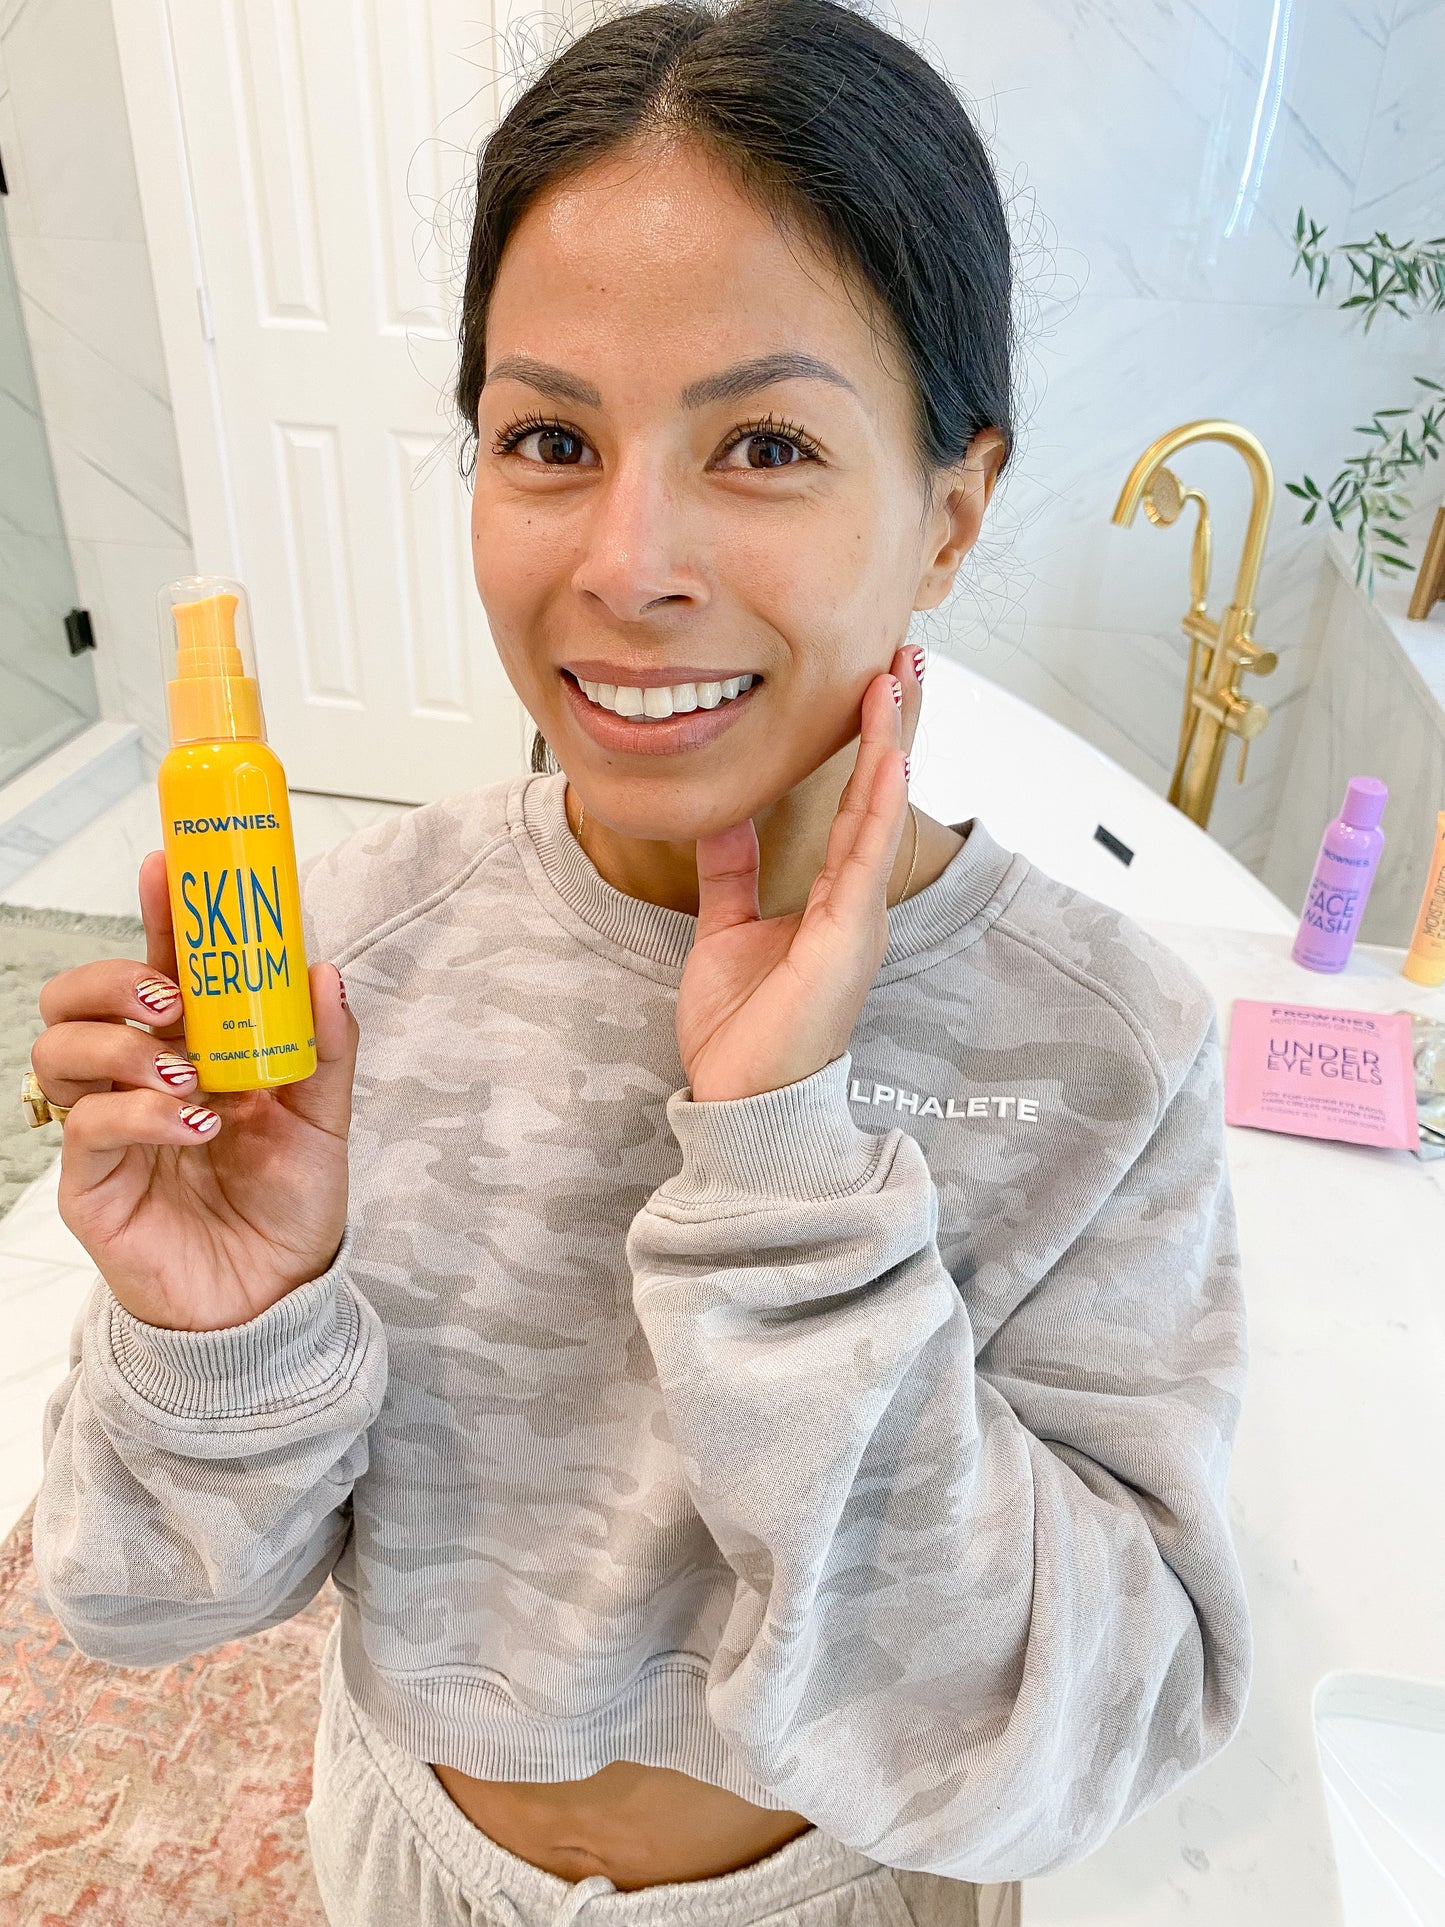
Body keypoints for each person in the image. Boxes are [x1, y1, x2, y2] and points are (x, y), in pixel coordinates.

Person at [26, 2, 1251, 1923]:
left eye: (762, 443)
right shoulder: (348, 958)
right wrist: (219, 1334)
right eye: (547, 439)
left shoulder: (1096, 1052)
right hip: (411, 1865)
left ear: (948, 511)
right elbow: (135, 1602)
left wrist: (793, 1197)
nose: (624, 561)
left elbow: (1068, 1750)